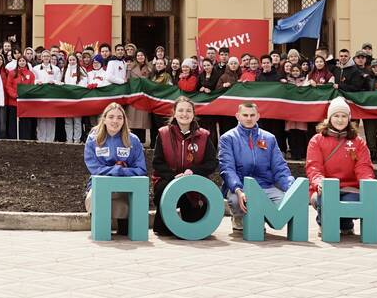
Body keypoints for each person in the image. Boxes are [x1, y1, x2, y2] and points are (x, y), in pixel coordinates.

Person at [217, 100, 292, 237]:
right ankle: (239, 217)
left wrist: (291, 187)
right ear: (237, 116)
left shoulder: (269, 138)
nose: (249, 118)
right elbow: (227, 168)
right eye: (245, 115)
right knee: (235, 201)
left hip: (265, 186)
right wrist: (238, 190)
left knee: (287, 205)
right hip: (241, 188)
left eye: (252, 115)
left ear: (258, 116)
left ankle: (259, 217)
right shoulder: (227, 138)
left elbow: (280, 167)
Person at [304, 95, 374, 236]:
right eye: (336, 116)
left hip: (350, 187)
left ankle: (345, 223)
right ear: (329, 118)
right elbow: (314, 166)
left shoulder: (358, 141)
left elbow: (363, 165)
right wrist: (319, 182)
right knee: (327, 199)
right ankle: (324, 223)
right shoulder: (317, 140)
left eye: (344, 116)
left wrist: (368, 182)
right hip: (325, 187)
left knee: (351, 203)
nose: (340, 120)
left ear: (349, 118)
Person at [151, 95, 217, 236]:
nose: (184, 114)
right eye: (180, 110)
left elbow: (212, 163)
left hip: (194, 185)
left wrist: (193, 171)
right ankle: (165, 218)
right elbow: (157, 162)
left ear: (193, 114)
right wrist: (174, 177)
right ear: (174, 113)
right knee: (163, 232)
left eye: (188, 111)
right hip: (168, 182)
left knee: (196, 230)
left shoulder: (204, 135)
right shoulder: (163, 133)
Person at [84, 101, 146, 237]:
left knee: (126, 231)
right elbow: (93, 167)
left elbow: (141, 169)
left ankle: (124, 225)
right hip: (100, 185)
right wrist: (115, 170)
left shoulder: (133, 140)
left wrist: (122, 172)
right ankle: (100, 225)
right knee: (93, 198)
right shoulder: (93, 138)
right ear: (104, 119)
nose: (115, 121)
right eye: (111, 117)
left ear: (124, 121)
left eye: (119, 117)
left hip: (125, 186)